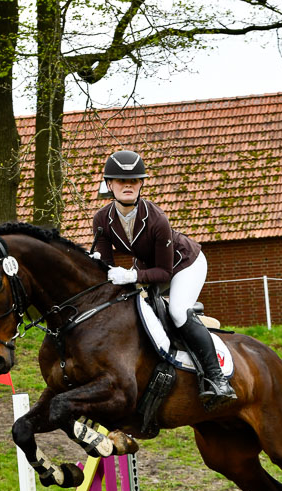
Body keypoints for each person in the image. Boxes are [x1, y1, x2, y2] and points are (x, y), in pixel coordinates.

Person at [92, 149, 236, 408]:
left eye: (134, 181)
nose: (128, 186)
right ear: (109, 184)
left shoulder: (157, 219)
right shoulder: (102, 219)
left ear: (141, 184)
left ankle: (217, 379)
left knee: (179, 311)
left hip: (184, 264)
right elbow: (106, 266)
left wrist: (132, 275)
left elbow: (164, 273)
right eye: (121, 181)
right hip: (148, 267)